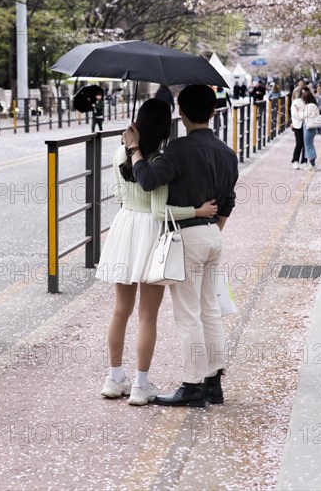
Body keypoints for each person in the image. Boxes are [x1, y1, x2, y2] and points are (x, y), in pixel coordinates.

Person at [96, 98, 218, 406]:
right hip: (151, 234)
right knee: (147, 316)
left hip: (124, 228)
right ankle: (140, 385)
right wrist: (197, 210)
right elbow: (159, 211)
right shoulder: (157, 159)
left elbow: (118, 193)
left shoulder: (119, 152)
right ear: (166, 127)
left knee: (119, 311)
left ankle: (113, 378)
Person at [125, 85, 239, 407]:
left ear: (182, 113)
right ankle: (213, 383)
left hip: (187, 237)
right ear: (213, 112)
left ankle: (191, 387)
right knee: (210, 310)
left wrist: (134, 149)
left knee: (188, 314)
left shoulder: (178, 150)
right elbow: (229, 201)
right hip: (213, 236)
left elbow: (147, 180)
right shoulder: (227, 153)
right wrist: (212, 229)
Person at [300, 87, 320, 170]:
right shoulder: (314, 105)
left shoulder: (309, 106)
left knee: (308, 145)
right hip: (313, 127)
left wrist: (300, 112)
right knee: (310, 144)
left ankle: (312, 164)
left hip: (309, 127)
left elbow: (302, 116)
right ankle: (312, 162)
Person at [290, 89, 308, 169]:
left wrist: (301, 113)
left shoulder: (309, 102)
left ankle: (304, 161)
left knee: (306, 144)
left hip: (307, 125)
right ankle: (295, 160)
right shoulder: (296, 102)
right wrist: (302, 116)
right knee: (299, 143)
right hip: (298, 125)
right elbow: (294, 114)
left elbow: (310, 113)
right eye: (303, 93)